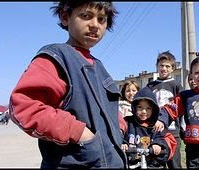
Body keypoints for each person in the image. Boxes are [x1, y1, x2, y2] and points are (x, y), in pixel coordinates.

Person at [8, 1, 128, 169]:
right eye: (86, 16)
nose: (95, 25)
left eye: (101, 19)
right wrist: (79, 133)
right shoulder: (56, 57)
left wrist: (120, 127)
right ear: (65, 17)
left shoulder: (100, 67)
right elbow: (24, 107)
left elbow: (110, 109)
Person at [121, 87, 177, 168]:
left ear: (153, 110)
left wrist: (158, 145)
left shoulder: (156, 125)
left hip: (150, 164)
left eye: (148, 108)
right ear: (134, 108)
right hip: (131, 164)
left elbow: (162, 137)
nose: (144, 111)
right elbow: (120, 134)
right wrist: (123, 143)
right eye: (140, 107)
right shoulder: (128, 122)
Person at [147, 50, 183, 169]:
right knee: (154, 162)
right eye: (161, 65)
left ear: (173, 68)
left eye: (167, 66)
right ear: (157, 66)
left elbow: (180, 108)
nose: (164, 68)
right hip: (154, 132)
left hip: (172, 131)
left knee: (174, 163)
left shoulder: (176, 86)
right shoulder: (150, 86)